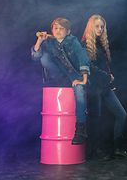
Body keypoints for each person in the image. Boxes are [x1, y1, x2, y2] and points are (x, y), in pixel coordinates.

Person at [81, 15, 127, 160]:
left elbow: (104, 67)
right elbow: (90, 68)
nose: (100, 29)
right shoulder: (85, 45)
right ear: (91, 27)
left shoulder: (100, 44)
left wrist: (109, 81)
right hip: (93, 88)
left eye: (102, 26)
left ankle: (117, 148)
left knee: (121, 114)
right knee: (95, 119)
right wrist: (107, 77)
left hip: (104, 86)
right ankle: (95, 151)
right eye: (97, 26)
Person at [31, 17, 90, 145]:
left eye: (61, 28)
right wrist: (40, 40)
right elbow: (36, 58)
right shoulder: (49, 42)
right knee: (45, 57)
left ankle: (80, 129)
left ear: (67, 31)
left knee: (79, 95)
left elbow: (83, 57)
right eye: (56, 28)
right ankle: (60, 79)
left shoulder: (72, 40)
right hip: (63, 75)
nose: (58, 31)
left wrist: (84, 79)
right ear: (52, 30)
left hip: (76, 75)